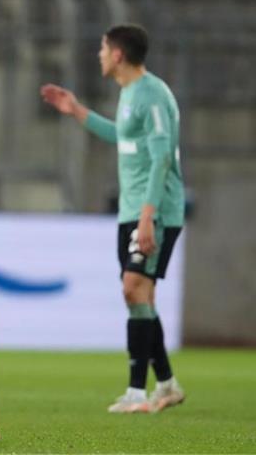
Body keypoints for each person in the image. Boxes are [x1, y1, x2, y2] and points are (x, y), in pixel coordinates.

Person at [40, 24, 186, 413]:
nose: (100, 55)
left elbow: (160, 157)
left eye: (104, 48)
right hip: (133, 210)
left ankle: (138, 391)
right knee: (140, 295)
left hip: (153, 211)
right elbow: (122, 136)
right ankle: (166, 384)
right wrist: (76, 111)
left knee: (132, 289)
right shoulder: (130, 94)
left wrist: (148, 215)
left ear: (118, 54)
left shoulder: (153, 95)